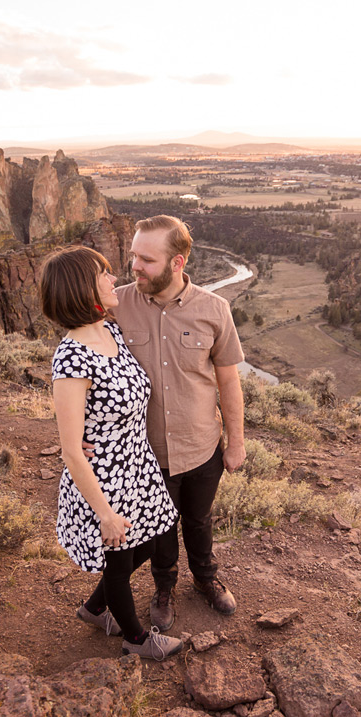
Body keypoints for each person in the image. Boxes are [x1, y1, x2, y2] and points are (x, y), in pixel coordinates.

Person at [39, 245, 182, 660]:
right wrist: (103, 512)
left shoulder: (111, 331)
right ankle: (136, 639)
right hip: (105, 479)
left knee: (152, 541)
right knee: (119, 562)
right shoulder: (71, 357)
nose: (112, 278)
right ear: (83, 288)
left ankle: (95, 607)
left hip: (137, 467)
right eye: (102, 274)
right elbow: (71, 449)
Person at [112, 215, 246, 632]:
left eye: (146, 259)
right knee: (160, 527)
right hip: (146, 451)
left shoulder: (214, 309)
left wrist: (236, 442)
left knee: (199, 520)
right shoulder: (116, 306)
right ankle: (164, 588)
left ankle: (206, 578)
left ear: (177, 262)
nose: (135, 266)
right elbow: (88, 375)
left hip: (202, 444)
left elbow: (228, 381)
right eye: (133, 255)